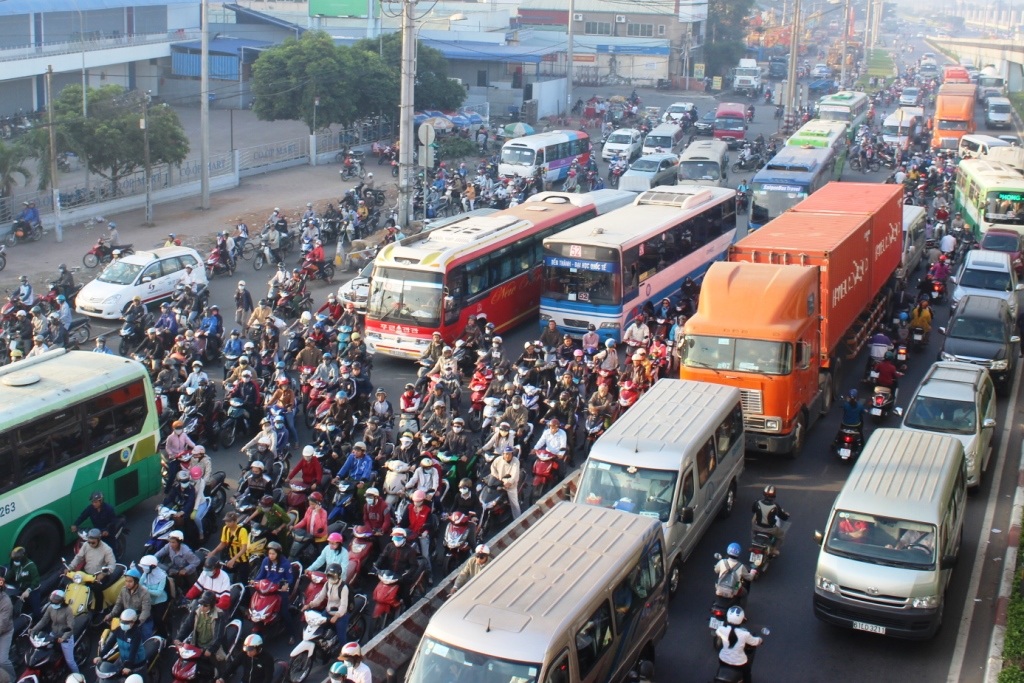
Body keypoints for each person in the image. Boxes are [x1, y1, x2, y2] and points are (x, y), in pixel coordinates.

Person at [173, 591, 223, 680]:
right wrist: (178, 638)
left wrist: (210, 650)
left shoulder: (219, 615)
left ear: (212, 605)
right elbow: (187, 625)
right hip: (197, 647)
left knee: (215, 674)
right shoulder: (196, 611)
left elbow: (218, 636)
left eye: (205, 605)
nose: (202, 607)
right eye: (201, 604)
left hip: (211, 649)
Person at [32, 590, 79, 675]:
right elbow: (44, 620)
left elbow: (70, 627)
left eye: (56, 601)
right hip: (53, 634)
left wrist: (63, 638)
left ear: (62, 601)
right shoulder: (50, 608)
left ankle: (78, 676)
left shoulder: (68, 610)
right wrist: (34, 629)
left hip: (65, 638)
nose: (54, 603)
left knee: (70, 661)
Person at [715, 606, 763, 683]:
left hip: (723, 660)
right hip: (739, 663)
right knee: (747, 673)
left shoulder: (721, 629)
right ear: (741, 619)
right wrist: (760, 640)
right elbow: (755, 642)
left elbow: (718, 633)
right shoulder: (745, 634)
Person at [93, 608, 146, 677]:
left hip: (136, 663)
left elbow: (133, 651)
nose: (123, 624)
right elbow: (110, 643)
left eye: (126, 622)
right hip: (123, 660)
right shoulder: (119, 630)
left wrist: (129, 667)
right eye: (122, 621)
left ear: (133, 622)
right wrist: (100, 656)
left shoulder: (136, 634)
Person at [305, 562, 350, 644]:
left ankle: (345, 654)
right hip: (328, 611)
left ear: (339, 576)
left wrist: (337, 616)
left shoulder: (344, 588)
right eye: (329, 576)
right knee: (317, 626)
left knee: (341, 637)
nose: (331, 578)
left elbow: (344, 605)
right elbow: (320, 597)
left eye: (333, 576)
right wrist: (309, 605)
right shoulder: (327, 584)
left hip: (340, 615)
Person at [106, 568, 153, 639]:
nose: (128, 583)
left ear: (136, 581)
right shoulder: (123, 590)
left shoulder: (144, 592)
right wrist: (111, 615)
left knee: (145, 637)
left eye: (130, 581)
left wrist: (138, 622)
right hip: (126, 618)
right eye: (126, 581)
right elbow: (118, 604)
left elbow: (145, 611)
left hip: (140, 620)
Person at [210, 512, 250, 582]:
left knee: (243, 583)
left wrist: (233, 559)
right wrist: (213, 552)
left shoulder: (242, 531)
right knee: (219, 576)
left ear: (235, 521)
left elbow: (244, 549)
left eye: (229, 521)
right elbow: (223, 543)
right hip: (230, 557)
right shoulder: (225, 529)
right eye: (226, 521)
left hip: (242, 561)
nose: (227, 523)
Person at [750, 485, 789, 556]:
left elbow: (753, 510)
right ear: (774, 496)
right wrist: (787, 515)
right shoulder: (775, 506)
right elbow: (784, 517)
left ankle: (754, 542)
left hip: (757, 527)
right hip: (771, 530)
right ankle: (774, 549)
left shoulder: (757, 502)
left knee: (752, 530)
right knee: (781, 535)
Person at [490, 445, 522, 518]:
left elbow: (515, 474)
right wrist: (497, 476)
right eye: (506, 454)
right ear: (503, 454)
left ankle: (518, 519)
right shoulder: (498, 460)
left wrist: (509, 482)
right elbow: (493, 468)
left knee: (514, 504)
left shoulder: (515, 461)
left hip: (511, 485)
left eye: (509, 454)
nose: (508, 456)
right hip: (499, 482)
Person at [0, 572, 14, 680]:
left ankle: (12, 678)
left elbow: (2, 625)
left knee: (2, 660)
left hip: (4, 632)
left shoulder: (6, 603)